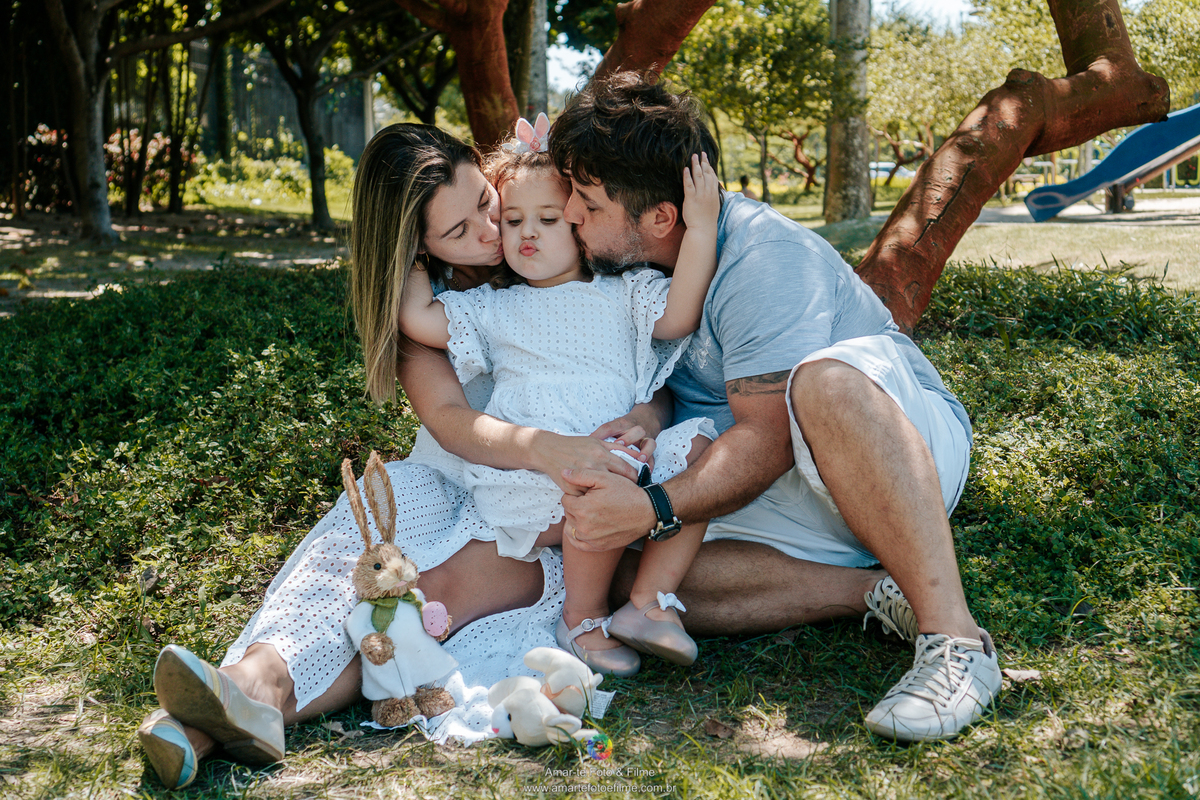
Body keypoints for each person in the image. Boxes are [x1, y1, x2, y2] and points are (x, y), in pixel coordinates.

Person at [135, 123, 666, 789]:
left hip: (529, 511)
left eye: (483, 201)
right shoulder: (432, 310)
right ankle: (245, 687)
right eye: (457, 230)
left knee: (416, 600)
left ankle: (211, 719)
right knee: (347, 567)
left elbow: (649, 364)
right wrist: (547, 448)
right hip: (456, 475)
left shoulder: (564, 240)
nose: (489, 229)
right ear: (416, 250)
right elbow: (452, 422)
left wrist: (644, 416)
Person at [548, 72, 1002, 743]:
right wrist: (649, 419)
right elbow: (697, 383)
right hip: (786, 479)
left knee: (820, 383)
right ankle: (877, 591)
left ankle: (957, 643)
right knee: (618, 572)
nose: (571, 216)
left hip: (888, 445)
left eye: (586, 201)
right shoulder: (643, 269)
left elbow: (767, 438)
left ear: (660, 217)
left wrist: (655, 506)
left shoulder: (761, 258)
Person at [399, 123, 720, 676]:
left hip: (621, 457)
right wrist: (413, 255)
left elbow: (680, 313)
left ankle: (651, 601)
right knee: (599, 476)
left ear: (580, 222)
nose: (526, 234)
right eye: (514, 220)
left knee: (699, 452)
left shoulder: (624, 292)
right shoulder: (492, 306)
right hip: (532, 479)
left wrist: (702, 227)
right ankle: (583, 618)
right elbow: (418, 317)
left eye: (548, 220)